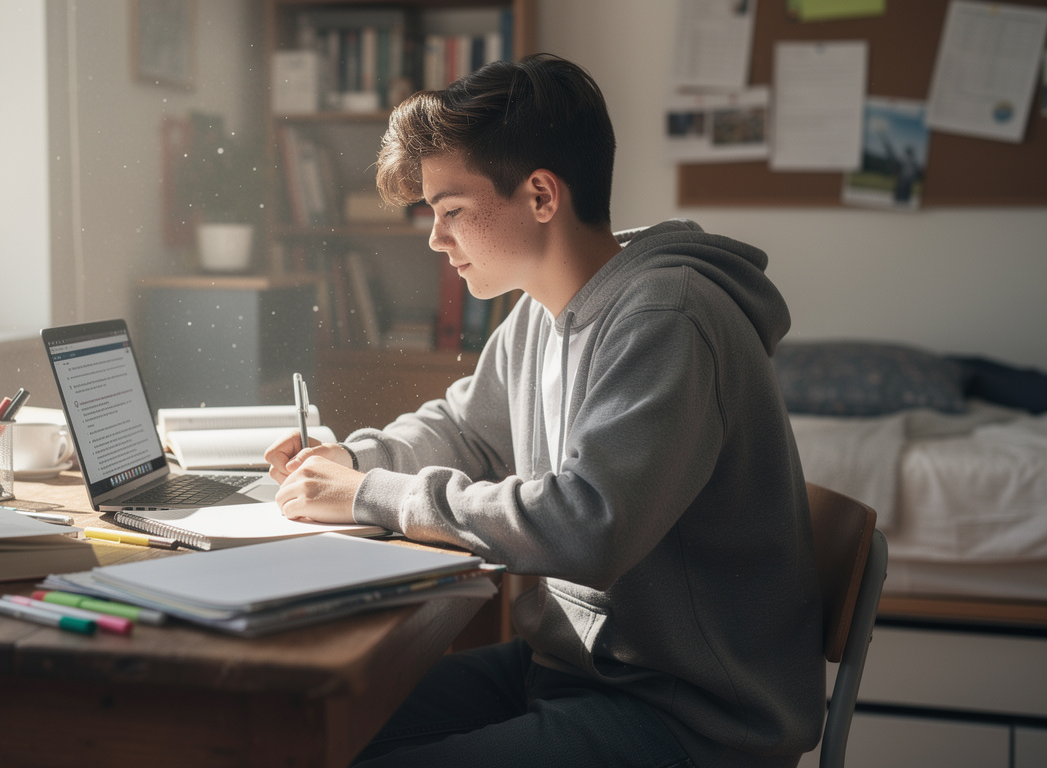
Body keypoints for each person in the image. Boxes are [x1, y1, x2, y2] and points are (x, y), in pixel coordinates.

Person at [265, 53, 823, 768]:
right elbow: (467, 428)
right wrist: (355, 461)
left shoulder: (668, 319)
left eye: (451, 211)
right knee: (303, 726)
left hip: (687, 714)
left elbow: (588, 524)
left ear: (539, 195)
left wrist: (373, 496)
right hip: (574, 670)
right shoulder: (540, 312)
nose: (436, 238)